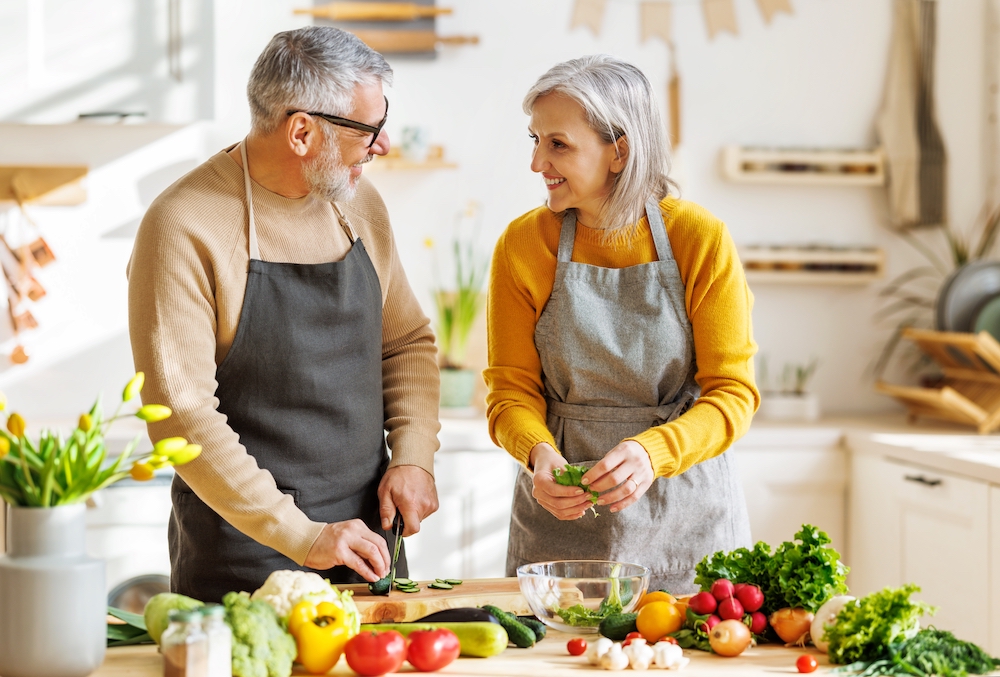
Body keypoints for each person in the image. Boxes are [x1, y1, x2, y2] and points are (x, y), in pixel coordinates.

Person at [127, 26, 440, 603]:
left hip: (367, 547)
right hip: (243, 565)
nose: (384, 144)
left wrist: (415, 457)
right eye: (368, 129)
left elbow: (407, 342)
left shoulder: (359, 204)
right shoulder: (184, 224)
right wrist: (302, 536)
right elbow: (181, 417)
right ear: (302, 132)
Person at [485, 55, 758, 593]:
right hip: (559, 523)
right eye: (535, 140)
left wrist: (652, 453)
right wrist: (538, 455)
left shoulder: (698, 239)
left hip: (687, 519)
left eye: (557, 144)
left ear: (620, 151)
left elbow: (733, 395)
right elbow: (509, 392)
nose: (538, 162)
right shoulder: (523, 245)